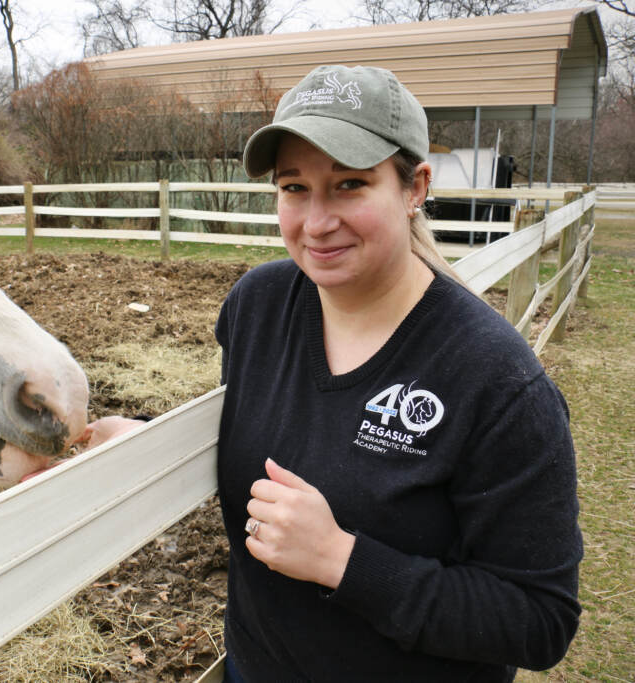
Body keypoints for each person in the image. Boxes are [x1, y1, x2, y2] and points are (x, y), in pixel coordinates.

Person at [81, 65, 582, 682]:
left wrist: (343, 560)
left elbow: (540, 620)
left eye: (348, 184)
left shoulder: (494, 377)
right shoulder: (256, 307)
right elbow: (263, 431)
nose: (316, 222)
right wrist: (148, 447)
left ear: (415, 187)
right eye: (294, 187)